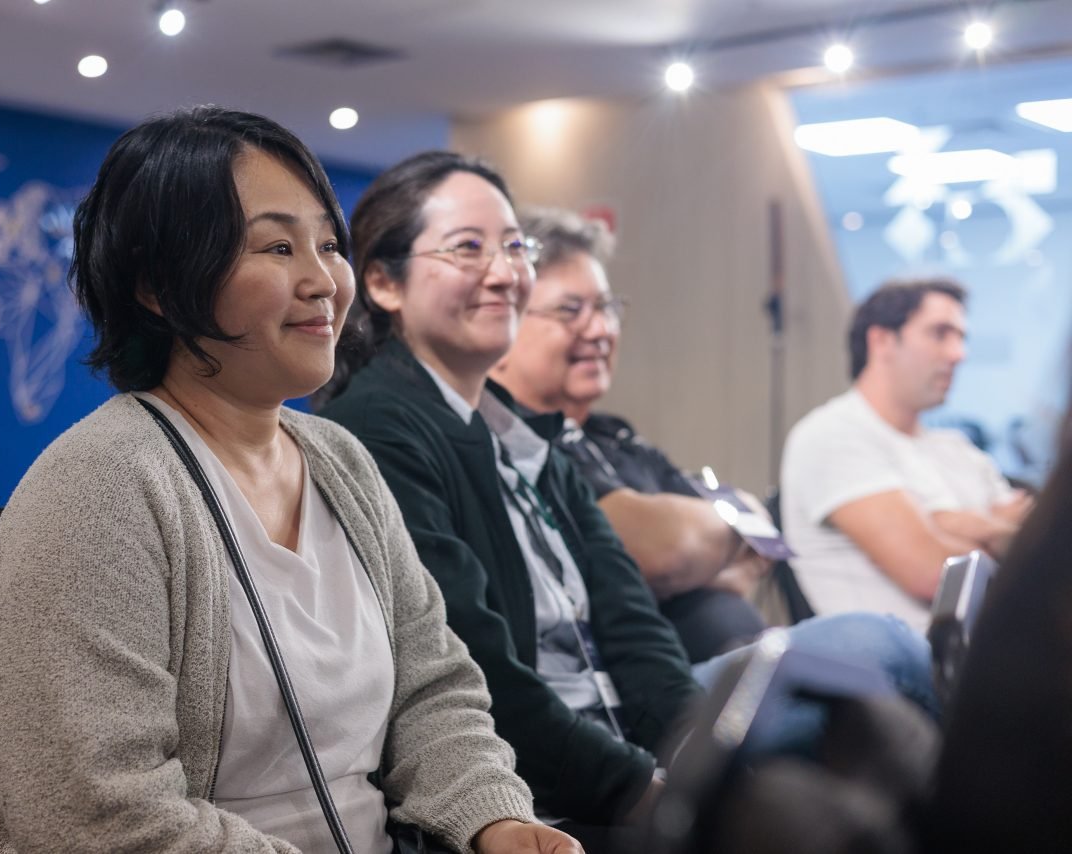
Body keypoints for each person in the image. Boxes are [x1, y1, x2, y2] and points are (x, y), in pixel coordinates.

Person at [0, 107, 580, 854]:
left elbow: (433, 690)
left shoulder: (340, 462)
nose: (324, 281)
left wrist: (494, 819)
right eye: (277, 246)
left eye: (329, 245)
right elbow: (96, 818)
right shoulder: (98, 489)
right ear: (157, 285)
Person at [316, 151, 938, 852]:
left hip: (621, 742)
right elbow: (482, 681)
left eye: (515, 247)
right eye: (468, 248)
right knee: (875, 657)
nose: (503, 270)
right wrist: (649, 792)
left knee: (863, 733)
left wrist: (700, 764)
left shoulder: (523, 436)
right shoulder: (379, 430)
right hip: (529, 788)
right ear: (383, 282)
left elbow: (634, 630)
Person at [488, 206, 769, 662]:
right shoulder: (518, 446)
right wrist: (710, 556)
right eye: (570, 311)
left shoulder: (613, 436)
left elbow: (756, 533)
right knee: (877, 643)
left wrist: (699, 555)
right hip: (648, 712)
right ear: (504, 324)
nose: (599, 330)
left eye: (606, 307)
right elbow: (667, 551)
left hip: (732, 684)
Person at [780, 279, 1031, 632]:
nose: (959, 354)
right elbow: (935, 575)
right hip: (908, 669)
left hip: (993, 652)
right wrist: (993, 528)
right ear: (881, 340)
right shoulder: (832, 434)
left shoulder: (957, 448)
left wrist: (952, 523)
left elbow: (1032, 549)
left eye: (961, 338)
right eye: (940, 334)